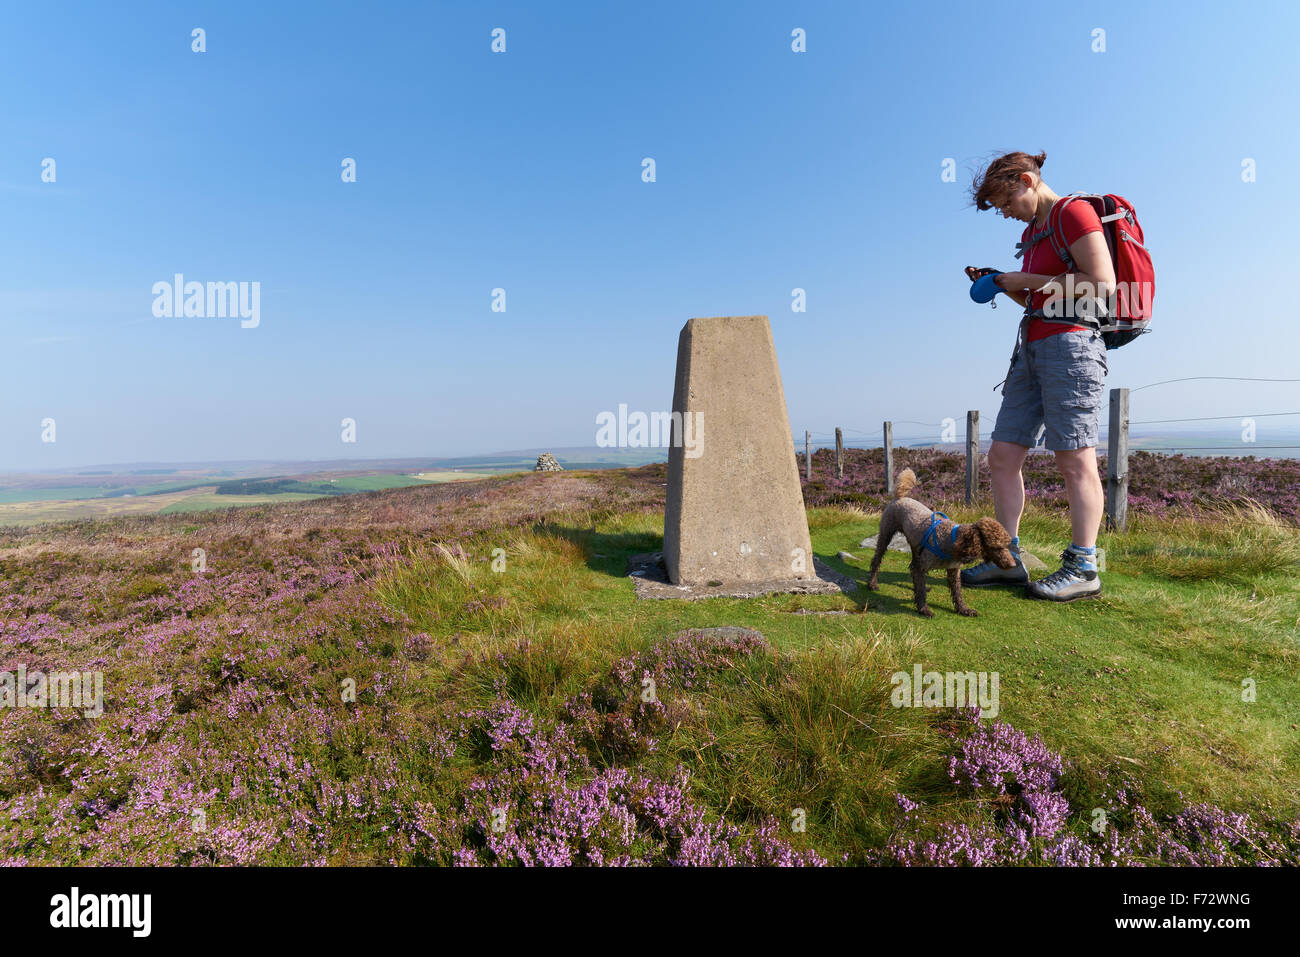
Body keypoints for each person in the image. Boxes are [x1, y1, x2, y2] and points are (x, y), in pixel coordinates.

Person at [961, 150, 1115, 601]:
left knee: (1074, 459)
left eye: (1006, 202)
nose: (1005, 214)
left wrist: (1020, 279)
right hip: (1032, 344)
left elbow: (1101, 282)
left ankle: (1084, 567)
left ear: (1027, 181)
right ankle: (1007, 561)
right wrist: (1004, 283)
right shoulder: (1033, 232)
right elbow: (1040, 298)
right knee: (1002, 457)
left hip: (1071, 345)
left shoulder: (1073, 212)